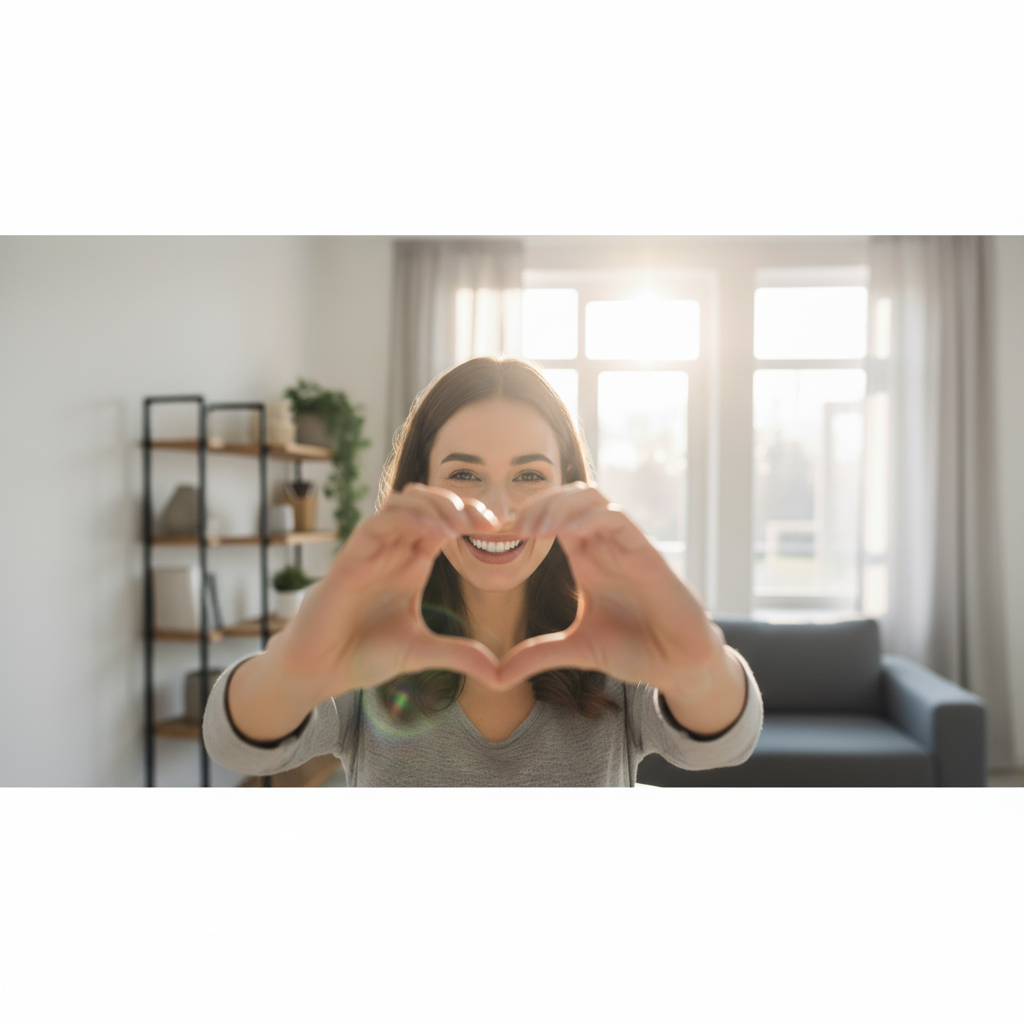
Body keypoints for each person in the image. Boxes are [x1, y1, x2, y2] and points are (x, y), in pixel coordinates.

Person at [203, 357, 763, 786]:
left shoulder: (610, 634)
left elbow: (717, 747)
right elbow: (237, 745)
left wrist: (701, 670)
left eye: (529, 477)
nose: (498, 512)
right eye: (465, 476)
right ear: (417, 487)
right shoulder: (372, 635)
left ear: (570, 486)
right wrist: (291, 673)